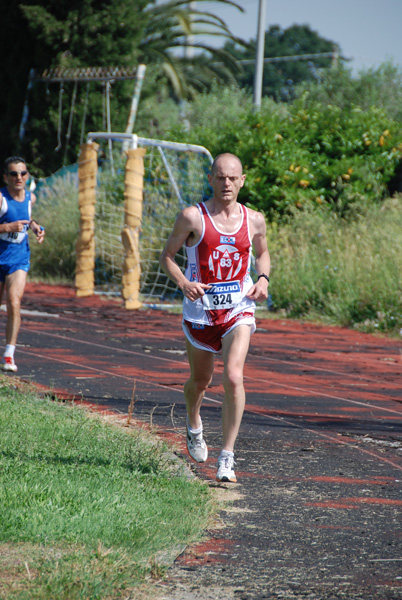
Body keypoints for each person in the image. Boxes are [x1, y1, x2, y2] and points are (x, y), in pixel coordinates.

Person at [160, 153, 270, 483]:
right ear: (211, 179)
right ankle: (194, 423)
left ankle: (227, 457)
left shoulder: (254, 220)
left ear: (242, 180)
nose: (226, 183)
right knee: (201, 382)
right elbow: (167, 257)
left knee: (233, 376)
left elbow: (263, 253)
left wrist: (262, 280)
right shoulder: (193, 217)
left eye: (232, 178)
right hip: (201, 311)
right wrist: (184, 282)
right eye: (220, 177)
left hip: (239, 307)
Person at [0, 156, 45, 372]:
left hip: (18, 258)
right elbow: (12, 224)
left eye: (23, 173)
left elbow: (28, 218)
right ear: (5, 177)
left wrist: (36, 227)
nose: (19, 177)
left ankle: (9, 353)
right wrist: (7, 228)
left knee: (14, 301)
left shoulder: (30, 198)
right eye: (14, 174)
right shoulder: (1, 198)